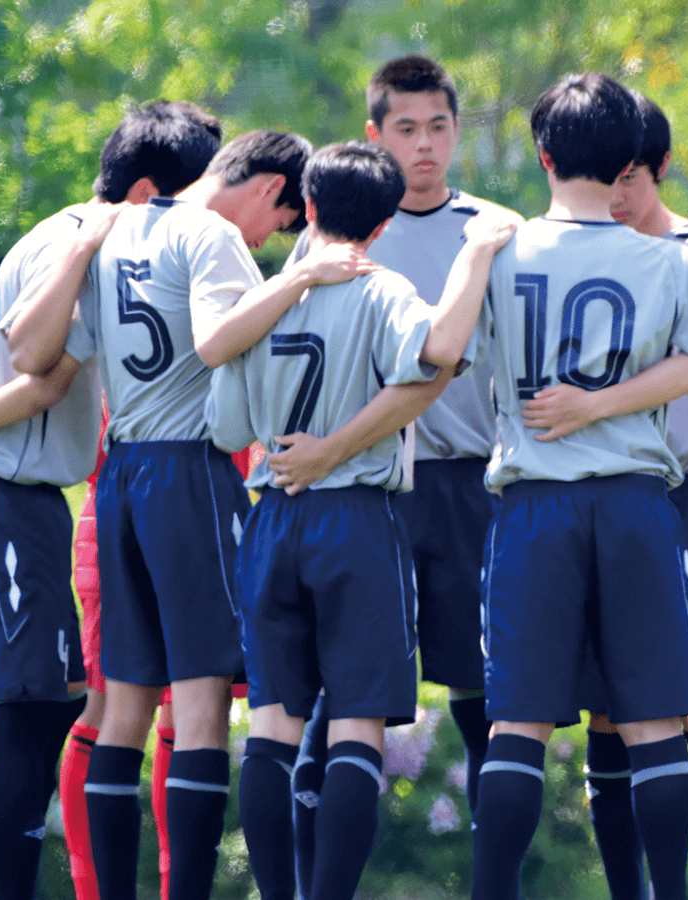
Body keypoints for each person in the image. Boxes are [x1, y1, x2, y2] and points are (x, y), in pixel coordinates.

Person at [463, 73, 688, 900]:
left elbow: (442, 350)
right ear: (627, 159)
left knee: (517, 723)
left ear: (542, 153)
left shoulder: (502, 251)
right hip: (637, 502)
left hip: (533, 504)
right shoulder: (663, 260)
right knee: (654, 722)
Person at [4, 128, 313, 900]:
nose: (276, 238)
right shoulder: (207, 237)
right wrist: (295, 284)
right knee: (203, 707)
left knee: (125, 709)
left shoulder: (110, 235)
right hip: (189, 472)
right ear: (274, 188)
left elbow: (46, 354)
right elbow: (220, 344)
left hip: (121, 476)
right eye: (284, 222)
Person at [0, 100, 222, 900]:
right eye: (193, 197)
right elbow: (42, 362)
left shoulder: (93, 236)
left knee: (55, 702)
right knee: (28, 709)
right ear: (151, 190)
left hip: (25, 501)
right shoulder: (81, 242)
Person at [208, 140, 514, 900]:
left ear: (306, 209)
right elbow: (442, 348)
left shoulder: (269, 299)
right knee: (357, 726)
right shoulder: (385, 291)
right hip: (358, 520)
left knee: (274, 728)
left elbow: (224, 428)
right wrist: (474, 256)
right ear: (382, 225)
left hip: (274, 517)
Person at [597, 90, 688, 900]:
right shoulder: (584, 251)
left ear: (661, 171)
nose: (613, 197)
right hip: (613, 499)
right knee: (612, 707)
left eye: (628, 179)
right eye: (601, 179)